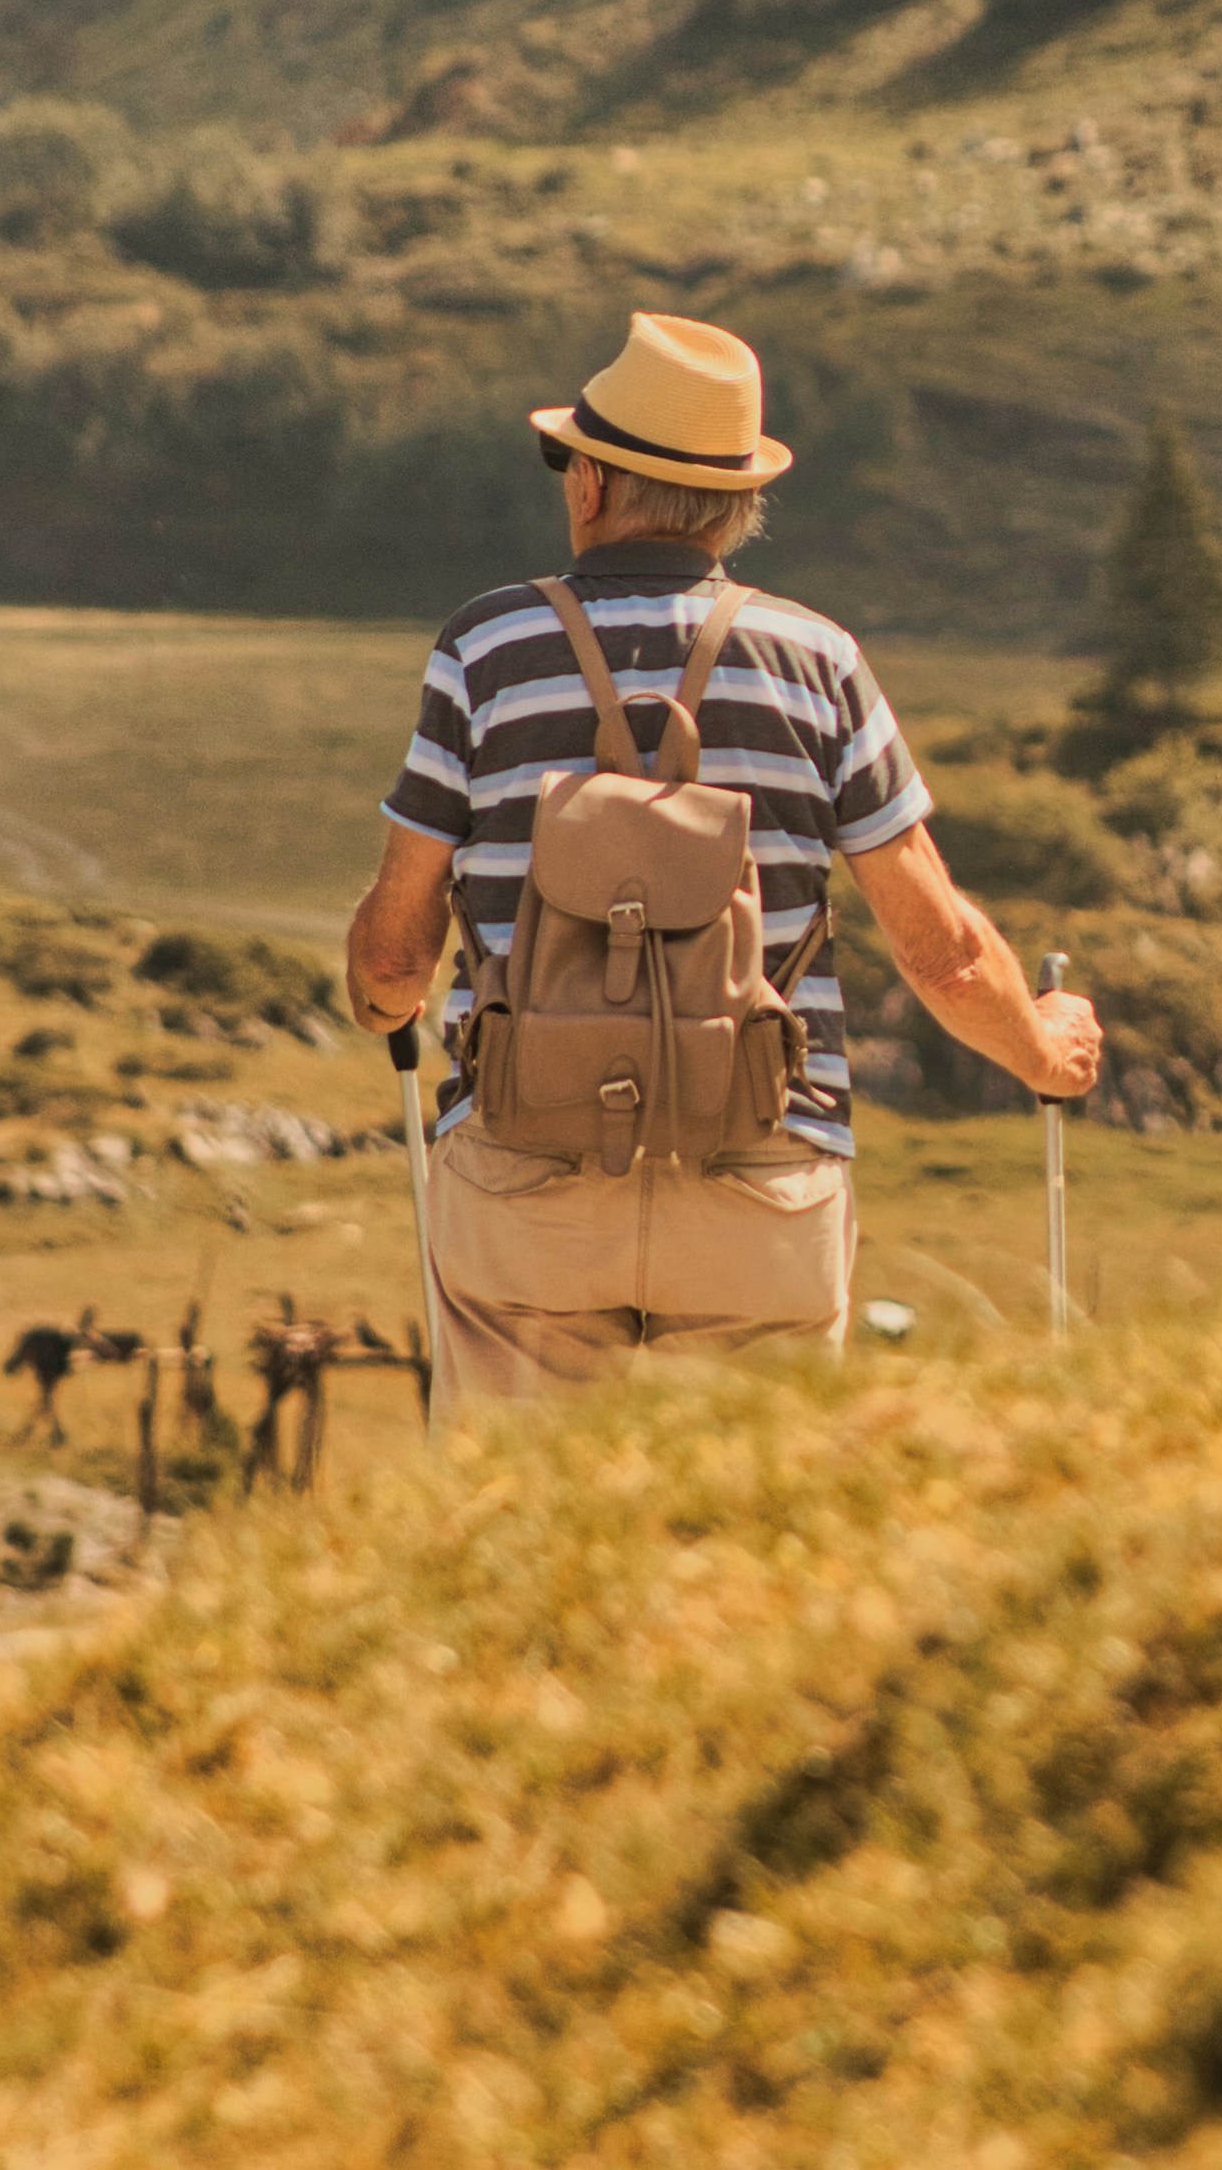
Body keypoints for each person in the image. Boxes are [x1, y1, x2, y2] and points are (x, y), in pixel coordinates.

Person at [345, 311, 1107, 1400]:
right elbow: (936, 950)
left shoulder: (485, 649)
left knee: (524, 1536)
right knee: (750, 1537)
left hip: (529, 1184)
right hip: (761, 1179)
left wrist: (382, 1002)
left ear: (594, 487)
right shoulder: (818, 661)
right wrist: (1041, 1047)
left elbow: (389, 964)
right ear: (737, 506)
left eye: (569, 459)